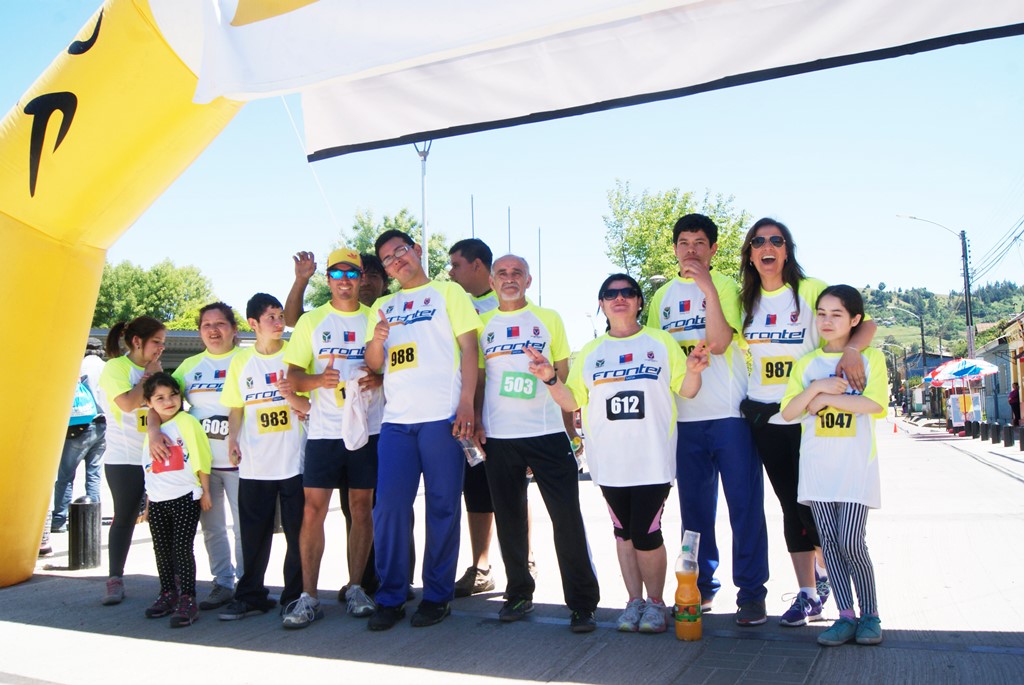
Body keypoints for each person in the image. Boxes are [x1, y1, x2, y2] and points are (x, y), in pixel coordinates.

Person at [527, 273, 709, 633]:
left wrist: (693, 371)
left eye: (627, 292)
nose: (619, 298)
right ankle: (634, 601)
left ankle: (656, 604)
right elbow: (572, 401)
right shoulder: (591, 351)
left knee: (646, 532)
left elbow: (687, 391)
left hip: (652, 460)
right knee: (623, 532)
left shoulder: (660, 342)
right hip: (609, 463)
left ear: (639, 301)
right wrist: (550, 378)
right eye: (610, 294)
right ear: (602, 304)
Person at [739, 218, 877, 626]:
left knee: (818, 508)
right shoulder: (743, 298)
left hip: (812, 415)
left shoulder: (811, 289)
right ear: (750, 252)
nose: (767, 246)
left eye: (776, 240)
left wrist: (852, 351)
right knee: (790, 506)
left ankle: (834, 582)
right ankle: (809, 593)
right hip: (769, 415)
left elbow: (866, 322)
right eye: (758, 241)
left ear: (787, 250)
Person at [647, 213, 769, 625]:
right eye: (684, 243)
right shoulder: (662, 297)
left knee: (745, 509)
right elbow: (657, 358)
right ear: (674, 248)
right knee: (695, 515)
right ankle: (700, 587)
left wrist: (707, 289)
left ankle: (751, 593)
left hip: (729, 416)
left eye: (700, 243)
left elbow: (718, 342)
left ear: (713, 249)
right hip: (685, 422)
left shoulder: (728, 285)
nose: (691, 251)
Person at [364, 229, 482, 630]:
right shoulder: (382, 306)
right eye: (387, 259)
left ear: (416, 250)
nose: (396, 260)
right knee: (389, 508)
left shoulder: (450, 293)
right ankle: (392, 596)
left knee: (443, 506)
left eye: (400, 251)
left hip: (442, 418)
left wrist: (466, 403)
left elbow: (470, 349)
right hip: (397, 423)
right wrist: (377, 339)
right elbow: (375, 363)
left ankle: (437, 595)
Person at [475, 254, 600, 630]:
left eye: (517, 273)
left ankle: (582, 603)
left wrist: (572, 432)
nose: (509, 278)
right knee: (509, 520)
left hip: (547, 434)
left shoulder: (549, 319)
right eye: (502, 273)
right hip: (499, 437)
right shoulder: (481, 324)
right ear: (492, 282)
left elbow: (563, 377)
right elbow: (478, 380)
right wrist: (476, 422)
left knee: (567, 519)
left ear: (528, 281)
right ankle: (518, 594)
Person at [282, 248, 384, 627]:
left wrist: (380, 378)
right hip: (324, 430)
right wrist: (317, 380)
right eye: (337, 274)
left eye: (351, 273)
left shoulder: (376, 316)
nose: (344, 280)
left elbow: (396, 365)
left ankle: (356, 587)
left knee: (362, 508)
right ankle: (308, 596)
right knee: (313, 511)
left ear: (361, 278)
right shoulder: (312, 321)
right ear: (327, 279)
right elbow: (292, 376)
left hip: (368, 429)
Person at [781, 285, 887, 647]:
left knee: (852, 542)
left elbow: (874, 405)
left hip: (856, 471)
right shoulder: (807, 364)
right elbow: (789, 411)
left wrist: (825, 398)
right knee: (829, 543)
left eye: (836, 314)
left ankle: (870, 615)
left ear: (855, 320)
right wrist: (815, 390)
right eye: (822, 314)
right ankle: (845, 616)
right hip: (817, 471)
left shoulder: (870, 358)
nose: (827, 321)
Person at [218, 294, 310, 620]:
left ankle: (294, 596)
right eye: (270, 316)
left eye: (280, 315)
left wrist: (295, 399)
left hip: (294, 462)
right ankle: (251, 595)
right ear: (253, 323)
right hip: (255, 464)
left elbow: (311, 403)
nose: (278, 321)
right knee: (254, 535)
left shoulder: (296, 355)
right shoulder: (241, 361)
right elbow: (236, 407)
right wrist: (232, 439)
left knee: (298, 534)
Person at [148, 302, 244, 612]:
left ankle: (247, 585)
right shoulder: (189, 366)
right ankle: (223, 583)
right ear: (200, 331)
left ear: (234, 329)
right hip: (202, 467)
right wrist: (153, 432)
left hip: (242, 461)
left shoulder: (247, 359)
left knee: (244, 527)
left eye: (220, 324)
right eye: (206, 325)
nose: (213, 330)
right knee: (213, 528)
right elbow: (157, 399)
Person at [99, 316, 166, 605]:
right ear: (137, 342)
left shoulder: (155, 368)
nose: (161, 348)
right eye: (156, 342)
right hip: (124, 458)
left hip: (156, 456)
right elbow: (127, 403)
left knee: (163, 519)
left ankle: (171, 579)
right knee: (124, 517)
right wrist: (148, 377)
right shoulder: (116, 367)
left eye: (163, 343)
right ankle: (115, 578)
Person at [448, 238, 501, 597]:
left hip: (506, 415)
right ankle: (481, 567)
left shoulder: (508, 303)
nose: (450, 273)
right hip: (469, 414)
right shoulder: (454, 303)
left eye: (456, 265)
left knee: (514, 492)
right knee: (477, 491)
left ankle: (526, 562)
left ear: (478, 265)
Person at [140, 373, 213, 627]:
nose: (168, 401)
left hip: (185, 496)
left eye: (173, 395)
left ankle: (188, 598)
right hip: (158, 499)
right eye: (159, 398)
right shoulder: (151, 430)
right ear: (149, 403)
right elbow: (148, 467)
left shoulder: (187, 422)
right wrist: (148, 502)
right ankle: (167, 592)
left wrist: (205, 491)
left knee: (182, 548)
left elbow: (201, 456)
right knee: (161, 549)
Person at [51, 338, 107, 533]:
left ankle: (59, 520)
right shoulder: (106, 367)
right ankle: (93, 519)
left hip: (79, 426)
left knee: (66, 475)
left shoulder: (77, 366)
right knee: (94, 475)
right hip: (102, 425)